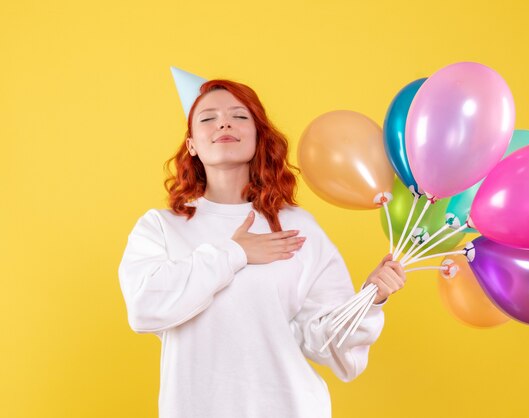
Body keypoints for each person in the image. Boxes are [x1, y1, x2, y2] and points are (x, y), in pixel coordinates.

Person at [118, 78, 407, 418]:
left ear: (258, 137)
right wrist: (235, 253)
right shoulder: (161, 227)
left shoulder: (297, 228)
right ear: (192, 144)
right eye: (208, 118)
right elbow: (145, 307)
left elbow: (330, 347)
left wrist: (369, 299)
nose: (223, 123)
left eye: (239, 116)